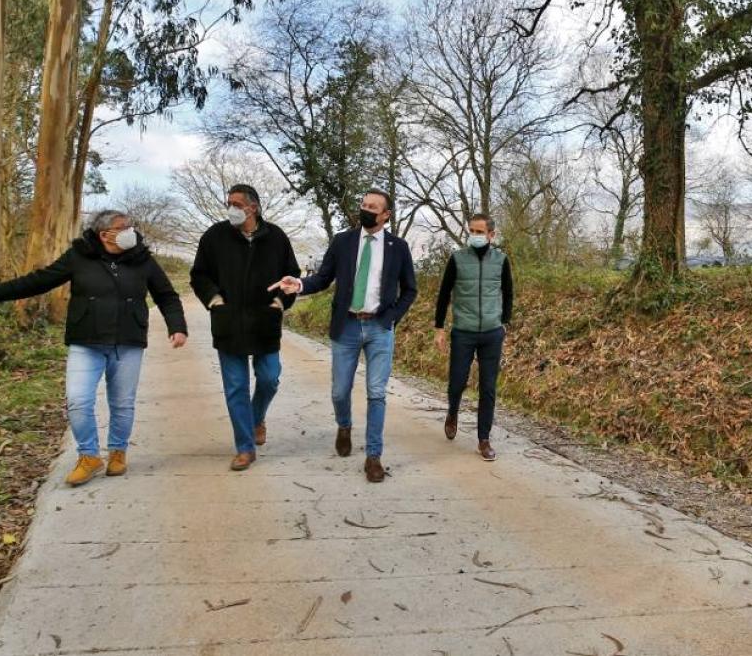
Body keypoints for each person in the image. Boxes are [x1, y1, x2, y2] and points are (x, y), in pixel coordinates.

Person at [0, 210, 188, 486]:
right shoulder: (79, 256)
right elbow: (38, 281)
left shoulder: (142, 259)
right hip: (86, 341)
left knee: (122, 403)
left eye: (130, 226)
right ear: (104, 235)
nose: (130, 231)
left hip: (128, 341)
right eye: (122, 227)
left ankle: (117, 452)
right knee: (78, 400)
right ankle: (88, 456)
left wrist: (177, 326)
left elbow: (167, 296)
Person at [270, 188, 417, 483]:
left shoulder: (397, 247)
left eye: (373, 207)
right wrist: (299, 284)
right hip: (346, 326)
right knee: (340, 391)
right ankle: (344, 425)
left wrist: (391, 319)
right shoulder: (343, 241)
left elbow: (410, 289)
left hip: (379, 328)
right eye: (363, 204)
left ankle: (373, 456)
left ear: (386, 215)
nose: (366, 209)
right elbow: (323, 278)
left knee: (376, 393)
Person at [190, 184, 300, 471]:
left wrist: (279, 302)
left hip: (265, 322)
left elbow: (293, 276)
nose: (231, 209)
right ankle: (244, 447)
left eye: (237, 204)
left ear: (253, 207)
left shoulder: (275, 237)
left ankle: (256, 418)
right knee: (236, 387)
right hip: (228, 324)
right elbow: (199, 275)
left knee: (269, 379)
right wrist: (215, 301)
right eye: (229, 203)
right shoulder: (214, 236)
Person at [433, 214, 513, 461]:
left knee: (488, 388)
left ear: (491, 234)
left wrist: (504, 324)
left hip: (491, 332)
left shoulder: (501, 260)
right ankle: (453, 411)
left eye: (480, 231)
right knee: (457, 381)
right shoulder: (457, 259)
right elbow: (444, 293)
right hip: (463, 331)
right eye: (472, 231)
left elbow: (508, 293)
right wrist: (439, 328)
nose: (475, 236)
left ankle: (483, 439)